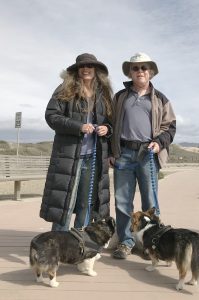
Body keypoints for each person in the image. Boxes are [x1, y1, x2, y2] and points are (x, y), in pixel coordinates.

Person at [111, 52, 176, 259]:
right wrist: (111, 152)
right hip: (123, 153)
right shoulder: (120, 97)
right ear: (130, 73)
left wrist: (160, 143)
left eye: (144, 68)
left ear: (151, 73)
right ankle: (126, 242)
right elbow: (110, 125)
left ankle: (151, 243)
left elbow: (170, 127)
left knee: (150, 202)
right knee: (122, 201)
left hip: (148, 153)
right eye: (135, 68)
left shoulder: (160, 99)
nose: (140, 71)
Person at [40, 53, 113, 231]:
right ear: (77, 70)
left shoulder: (103, 94)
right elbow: (51, 116)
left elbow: (111, 122)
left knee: (86, 203)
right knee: (66, 202)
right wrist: (78, 126)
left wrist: (107, 129)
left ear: (96, 70)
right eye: (82, 66)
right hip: (69, 156)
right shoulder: (65, 89)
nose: (86, 69)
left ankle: (80, 243)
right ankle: (58, 244)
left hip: (94, 158)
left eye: (90, 66)